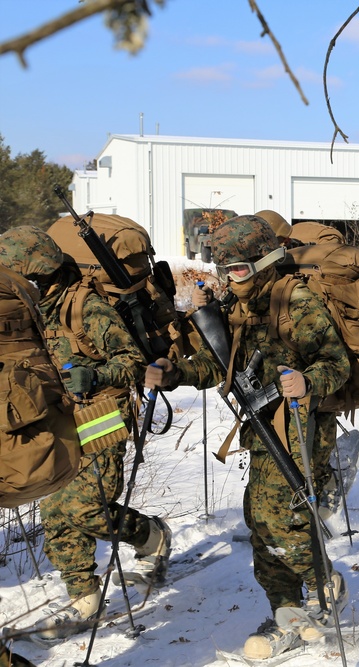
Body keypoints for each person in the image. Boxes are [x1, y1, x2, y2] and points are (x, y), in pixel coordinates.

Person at [144, 215, 351, 659]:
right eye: (224, 271)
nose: (230, 279)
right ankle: (285, 609)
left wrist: (308, 380)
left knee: (282, 518)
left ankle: (322, 585)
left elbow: (337, 364)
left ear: (265, 262)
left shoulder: (295, 300)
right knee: (259, 521)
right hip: (261, 425)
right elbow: (220, 366)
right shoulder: (238, 306)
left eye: (238, 270)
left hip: (301, 425)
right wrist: (175, 372)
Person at [0, 226, 169, 641]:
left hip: (102, 413)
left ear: (39, 274)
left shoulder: (85, 306)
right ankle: (84, 596)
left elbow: (131, 362)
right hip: (58, 418)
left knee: (82, 506)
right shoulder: (25, 309)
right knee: (54, 508)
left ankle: (150, 535)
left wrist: (95, 373)